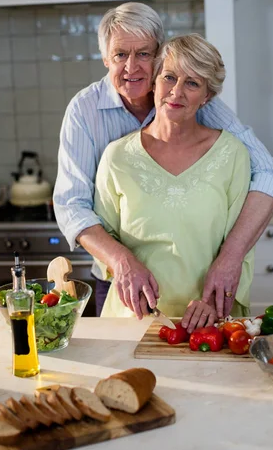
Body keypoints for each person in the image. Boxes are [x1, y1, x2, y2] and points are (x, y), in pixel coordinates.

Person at [53, 2, 273, 327]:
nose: (131, 67)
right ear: (106, 58)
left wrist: (231, 259)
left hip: (204, 299)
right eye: (120, 54)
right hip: (121, 281)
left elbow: (271, 175)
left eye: (144, 54)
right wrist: (121, 261)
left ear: (158, 55)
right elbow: (71, 206)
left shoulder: (200, 108)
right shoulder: (86, 114)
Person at [95, 34, 254, 327]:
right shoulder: (117, 157)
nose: (176, 92)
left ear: (207, 96)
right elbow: (104, 241)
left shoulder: (232, 154)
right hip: (134, 320)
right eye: (169, 77)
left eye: (192, 83)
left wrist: (213, 303)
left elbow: (240, 246)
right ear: (154, 81)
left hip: (211, 320)